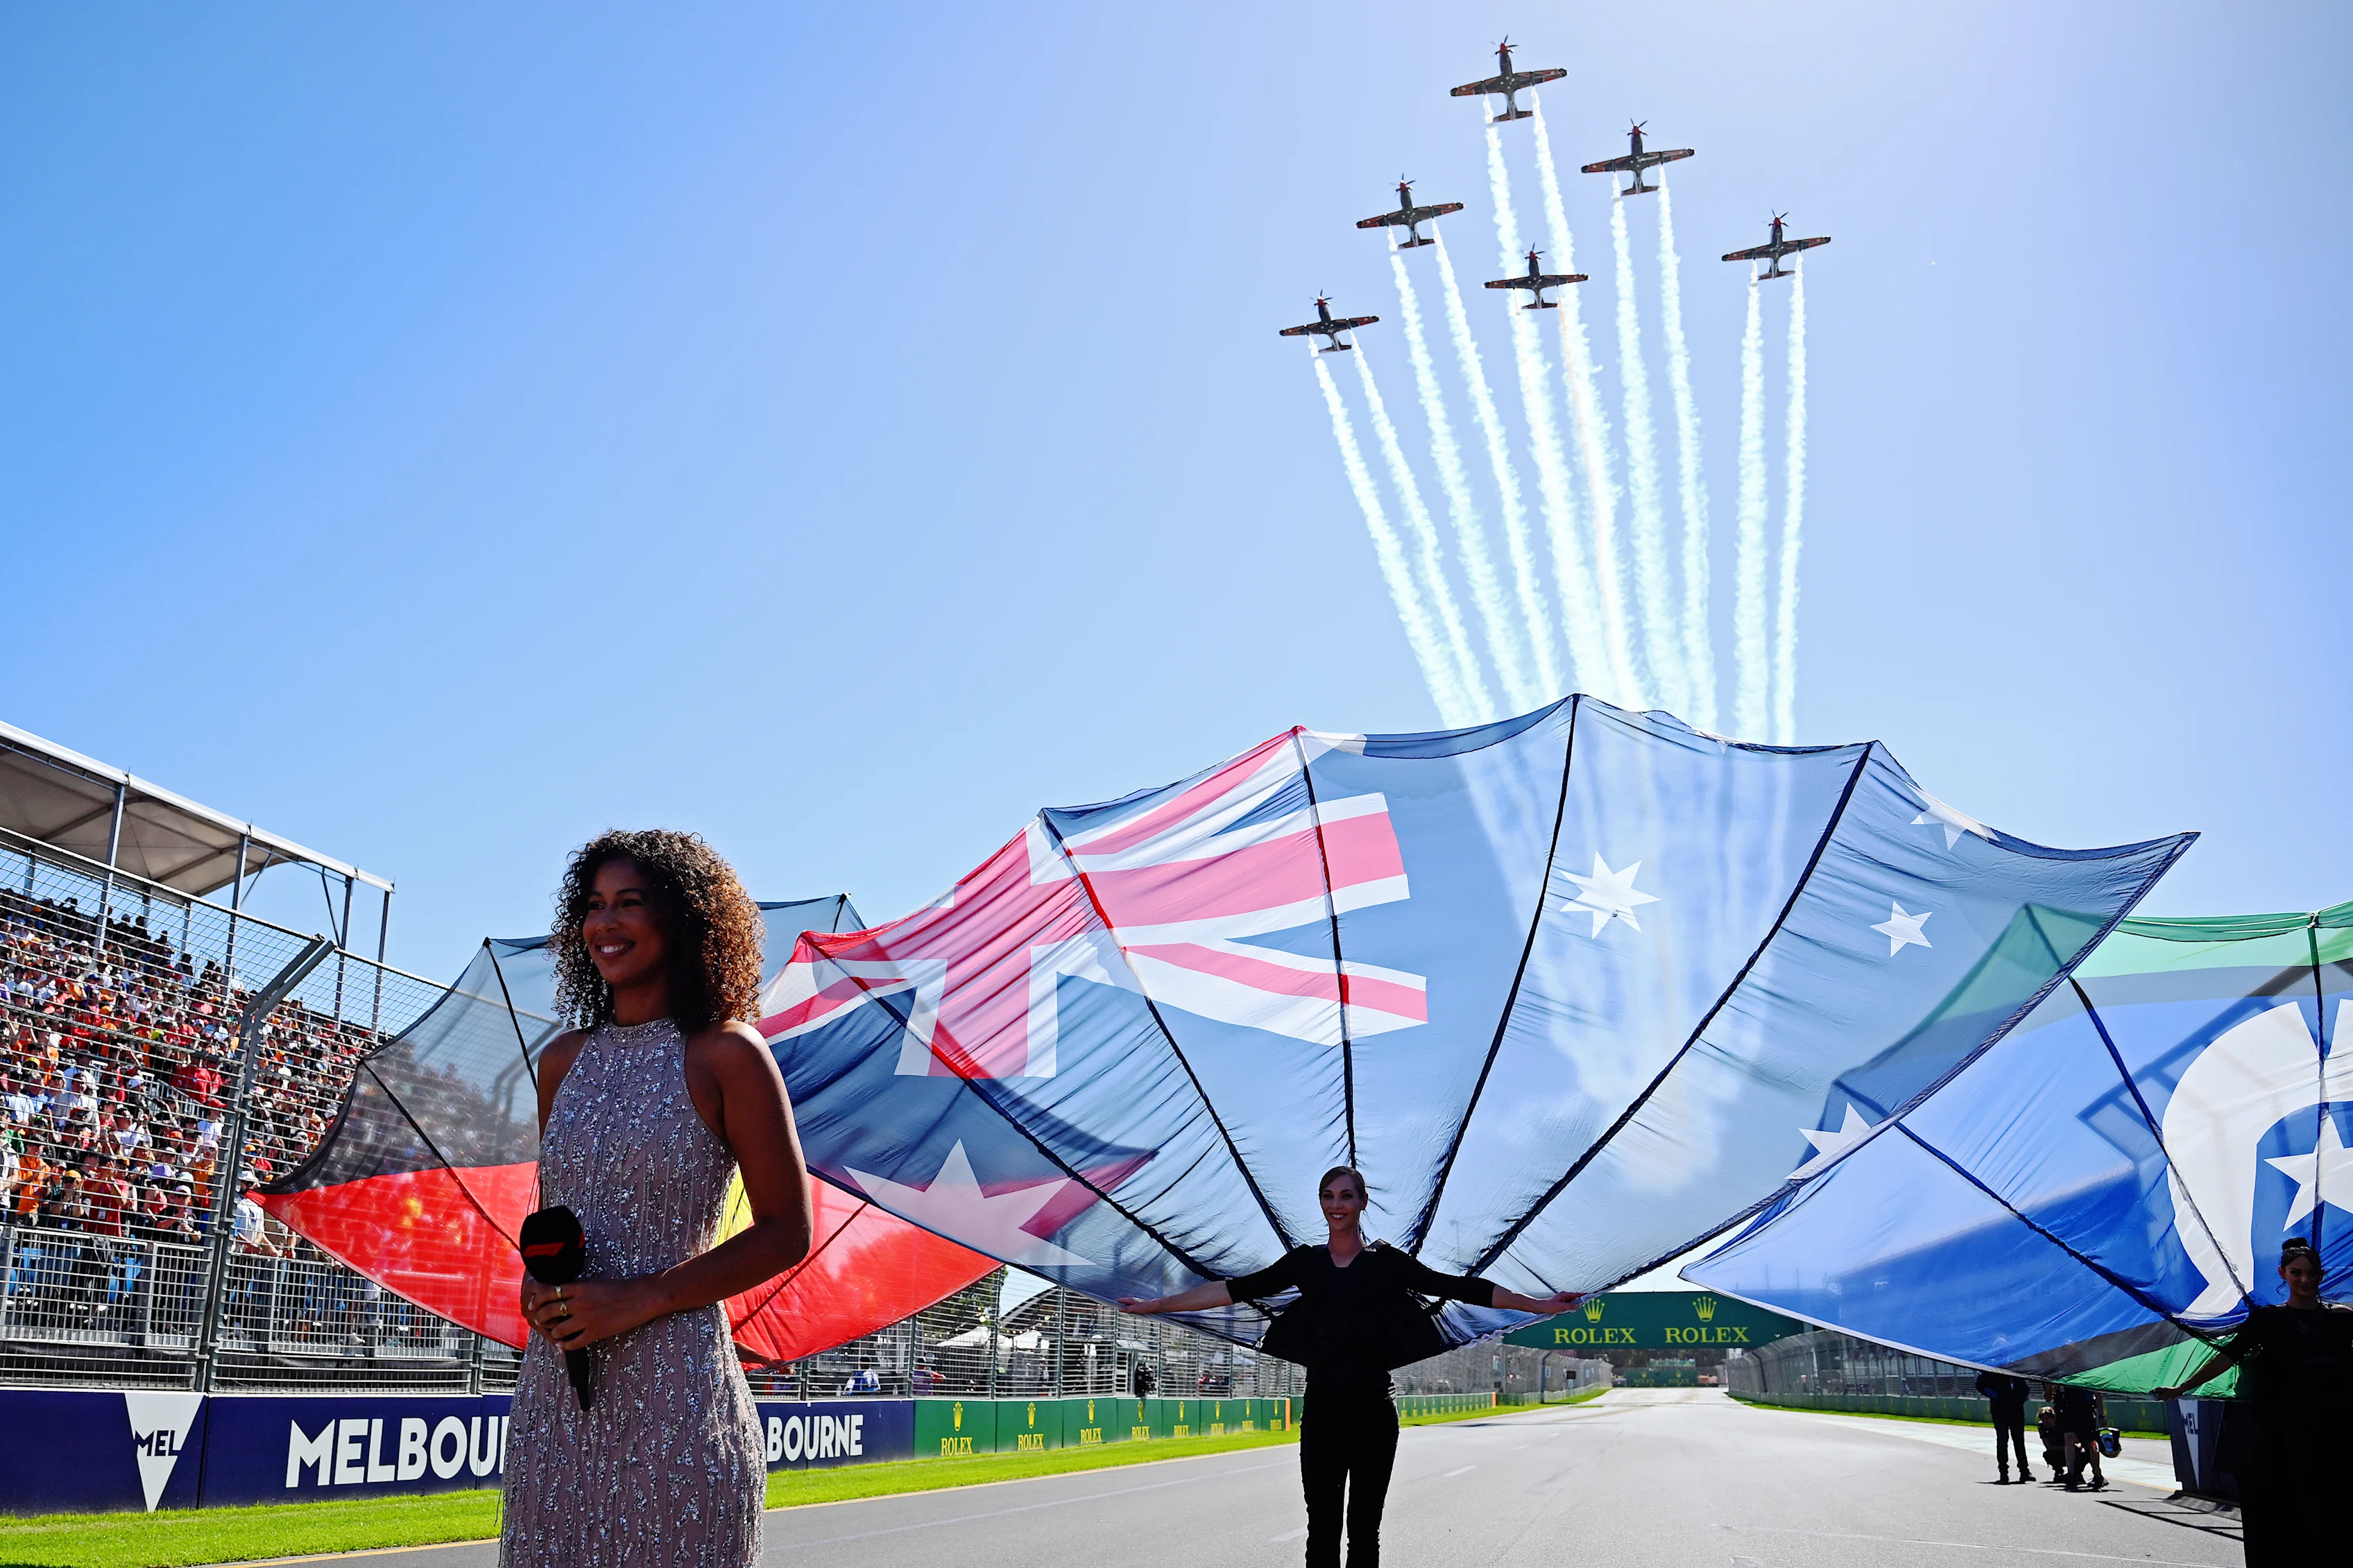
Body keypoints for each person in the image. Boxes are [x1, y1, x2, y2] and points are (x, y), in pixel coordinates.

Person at [502, 831, 816, 1568]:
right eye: (592, 905)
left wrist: (642, 1295)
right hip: (557, 1400)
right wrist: (536, 1285)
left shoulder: (728, 1053)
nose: (604, 922)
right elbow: (562, 1213)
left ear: (683, 917)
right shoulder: (560, 1060)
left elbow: (785, 1230)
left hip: (679, 1397)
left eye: (629, 903)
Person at [1118, 1166, 1575, 1568]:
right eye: (1328, 1196)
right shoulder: (1305, 1262)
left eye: (1346, 1196)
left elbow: (1459, 1287)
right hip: (1321, 1413)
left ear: (1362, 1202)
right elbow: (1233, 1289)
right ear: (1321, 1202)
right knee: (1321, 1532)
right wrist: (1159, 1304)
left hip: (1375, 1412)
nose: (1336, 1205)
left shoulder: (1387, 1262)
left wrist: (1537, 1304)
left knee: (1364, 1532)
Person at [2154, 1237, 2353, 1563]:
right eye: (2296, 1272)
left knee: (2330, 1508)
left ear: (2320, 1275)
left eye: (2310, 1273)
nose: (2304, 1280)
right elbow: (2227, 1357)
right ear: (2282, 1274)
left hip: (2333, 1430)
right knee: (2279, 1510)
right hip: (2279, 1433)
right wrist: (2182, 1388)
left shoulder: (2342, 1318)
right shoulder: (2268, 1319)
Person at [1975, 1369, 2033, 1483]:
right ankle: (2003, 1472)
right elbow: (1980, 1385)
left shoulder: (2016, 1369)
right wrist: (1995, 1395)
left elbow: (2024, 1387)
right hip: (2000, 1409)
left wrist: (2022, 1397)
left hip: (2016, 1409)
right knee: (2002, 1439)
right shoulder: (1991, 1369)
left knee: (2019, 1441)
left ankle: (2024, 1471)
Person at [2050, 1382, 2105, 1490]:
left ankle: (2097, 1474)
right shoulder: (2065, 1374)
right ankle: (2071, 1473)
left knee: (2090, 1442)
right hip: (2069, 1410)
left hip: (2086, 1410)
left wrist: (2101, 1415)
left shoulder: (2088, 1374)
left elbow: (2098, 1394)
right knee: (2069, 1438)